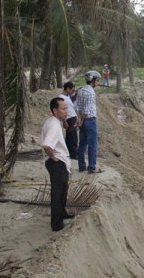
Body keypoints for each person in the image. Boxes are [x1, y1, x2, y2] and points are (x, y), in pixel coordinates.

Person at [41, 97, 74, 232]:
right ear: (55, 110)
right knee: (57, 193)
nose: (66, 111)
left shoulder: (53, 121)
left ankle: (62, 213)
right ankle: (57, 224)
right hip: (57, 163)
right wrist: (53, 157)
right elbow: (47, 145)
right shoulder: (54, 125)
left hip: (59, 162)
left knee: (63, 190)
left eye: (67, 108)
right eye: (63, 109)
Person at [76, 70, 101, 173]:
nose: (98, 82)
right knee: (92, 145)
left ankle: (81, 166)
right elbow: (86, 109)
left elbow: (77, 106)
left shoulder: (81, 90)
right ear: (93, 80)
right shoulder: (91, 93)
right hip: (89, 120)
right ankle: (91, 166)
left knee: (82, 144)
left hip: (83, 121)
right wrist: (82, 120)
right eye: (97, 80)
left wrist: (79, 119)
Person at [59, 82, 79, 159]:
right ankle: (73, 154)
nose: (72, 92)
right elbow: (63, 110)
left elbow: (72, 101)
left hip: (72, 118)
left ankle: (69, 152)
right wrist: (64, 121)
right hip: (69, 119)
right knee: (72, 137)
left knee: (71, 136)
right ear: (67, 89)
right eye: (72, 90)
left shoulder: (67, 97)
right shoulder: (61, 98)